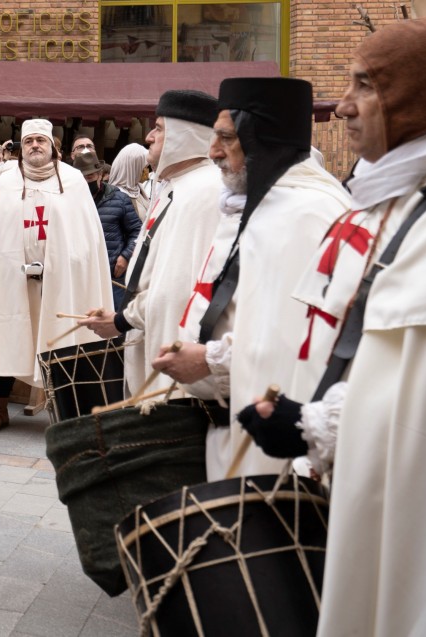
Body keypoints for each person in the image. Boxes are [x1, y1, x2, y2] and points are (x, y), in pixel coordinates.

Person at [229, 18, 426, 635]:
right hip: (361, 478)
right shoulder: (402, 196)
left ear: (419, 95)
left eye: (365, 86)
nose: (342, 108)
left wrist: (319, 424)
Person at [151, 77, 351, 480]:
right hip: (224, 420)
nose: (213, 152)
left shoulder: (309, 211)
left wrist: (211, 359)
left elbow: (295, 340)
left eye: (226, 138)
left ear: (262, 137)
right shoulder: (259, 198)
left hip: (269, 436)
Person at [0, 119, 113, 434]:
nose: (35, 146)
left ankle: (68, 411)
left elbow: (86, 235)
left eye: (41, 141)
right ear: (20, 148)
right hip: (10, 276)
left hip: (61, 279)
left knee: (62, 337)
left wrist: (64, 262)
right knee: (7, 335)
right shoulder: (5, 182)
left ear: (53, 145)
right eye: (29, 142)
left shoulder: (71, 180)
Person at [82, 91, 224, 401]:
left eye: (159, 128)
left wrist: (122, 319)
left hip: (173, 355)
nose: (149, 136)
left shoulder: (204, 191)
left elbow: (175, 286)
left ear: (184, 136)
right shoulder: (178, 185)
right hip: (148, 337)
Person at [74, 152, 140, 309]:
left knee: (114, 324)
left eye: (90, 176)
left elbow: (138, 231)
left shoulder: (119, 199)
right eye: (82, 177)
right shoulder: (70, 200)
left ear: (99, 174)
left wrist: (125, 256)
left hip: (113, 276)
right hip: (81, 276)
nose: (86, 181)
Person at [109, 142, 152, 221]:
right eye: (144, 167)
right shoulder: (115, 198)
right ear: (133, 168)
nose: (146, 171)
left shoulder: (138, 189)